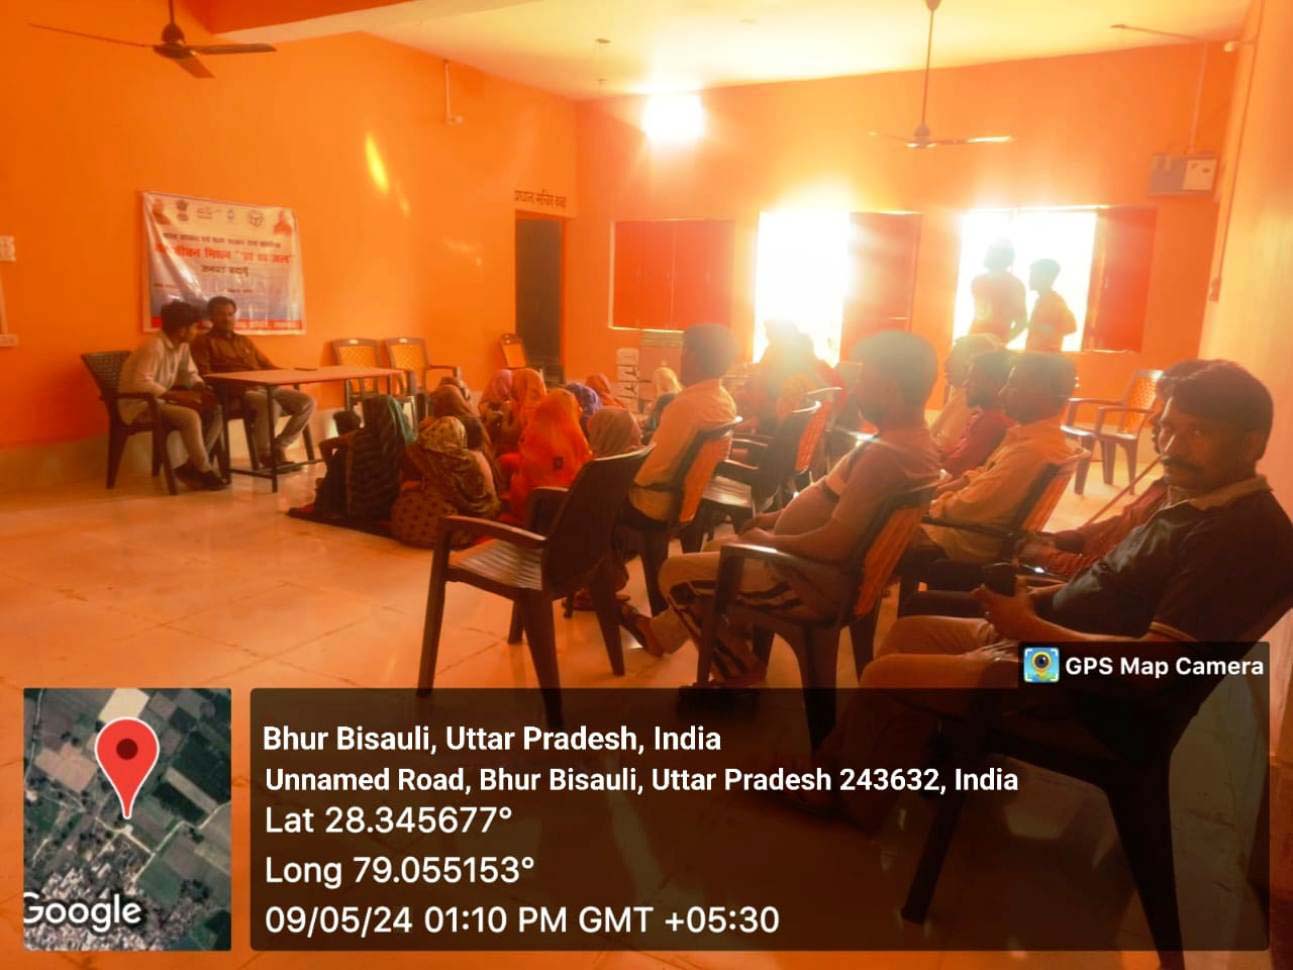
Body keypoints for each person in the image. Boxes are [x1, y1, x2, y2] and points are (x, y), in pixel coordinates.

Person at [804, 360, 1293, 830]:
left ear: (1252, 443)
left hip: (1070, 682)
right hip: (1051, 647)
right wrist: (1039, 602)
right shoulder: (1197, 504)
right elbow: (1118, 586)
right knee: (912, 632)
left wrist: (1029, 628)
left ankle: (849, 797)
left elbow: (1152, 666)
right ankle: (871, 771)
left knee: (886, 673)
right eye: (1167, 428)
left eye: (1198, 432)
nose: (1171, 446)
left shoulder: (1234, 537)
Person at [621, 331, 942, 685]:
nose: (856, 389)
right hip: (818, 574)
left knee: (674, 573)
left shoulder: (886, 458)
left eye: (865, 379)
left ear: (890, 389)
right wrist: (776, 519)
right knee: (717, 548)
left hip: (805, 582)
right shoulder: (913, 443)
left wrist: (771, 541)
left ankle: (737, 669)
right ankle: (668, 634)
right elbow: (837, 504)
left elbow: (835, 544)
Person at [1018, 359, 1211, 578]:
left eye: (1196, 430)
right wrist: (1066, 539)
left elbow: (1115, 576)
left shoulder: (1186, 510)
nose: (1155, 419)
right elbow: (1122, 523)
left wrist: (1044, 555)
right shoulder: (1169, 484)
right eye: (1160, 407)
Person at [918, 353, 1078, 563]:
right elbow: (981, 476)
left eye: (1013, 385)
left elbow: (967, 508)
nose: (1002, 393)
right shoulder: (1032, 437)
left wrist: (930, 505)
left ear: (1045, 394)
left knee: (881, 531)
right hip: (971, 532)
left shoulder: (1032, 450)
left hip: (964, 541)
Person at [627, 324, 738, 524]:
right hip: (694, 497)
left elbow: (647, 474)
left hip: (654, 503)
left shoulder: (685, 407)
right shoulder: (725, 399)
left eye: (683, 349)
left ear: (691, 356)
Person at [190, 295, 315, 469]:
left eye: (230, 314)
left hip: (264, 386)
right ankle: (265, 454)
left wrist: (290, 373)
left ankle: (279, 446)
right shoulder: (203, 341)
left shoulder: (244, 340)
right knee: (270, 404)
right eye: (221, 314)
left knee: (307, 402)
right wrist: (238, 384)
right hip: (237, 392)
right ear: (211, 317)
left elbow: (267, 366)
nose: (227, 319)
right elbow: (206, 374)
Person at [118, 300, 226, 491]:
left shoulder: (182, 345)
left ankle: (191, 467)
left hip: (160, 401)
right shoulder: (154, 346)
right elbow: (140, 383)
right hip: (139, 406)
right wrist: (176, 396)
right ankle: (203, 469)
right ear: (182, 330)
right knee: (189, 416)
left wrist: (200, 387)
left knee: (215, 409)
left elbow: (189, 373)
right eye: (194, 327)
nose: (197, 331)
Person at [392, 416, 501, 548]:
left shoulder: (419, 455)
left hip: (405, 525)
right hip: (446, 528)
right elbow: (475, 500)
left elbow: (405, 486)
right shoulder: (465, 461)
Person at [506, 388, 592, 521]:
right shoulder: (578, 437)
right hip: (572, 512)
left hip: (536, 514)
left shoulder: (533, 434)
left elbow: (527, 480)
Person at [940, 349, 1014, 477]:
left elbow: (954, 468)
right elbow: (953, 454)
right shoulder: (983, 415)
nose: (965, 384)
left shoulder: (993, 422)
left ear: (995, 384)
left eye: (973, 379)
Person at [929, 333, 1000, 453]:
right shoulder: (958, 393)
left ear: (972, 365)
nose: (946, 364)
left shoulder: (973, 400)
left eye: (953, 359)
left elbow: (945, 446)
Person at [968, 239, 1028, 344]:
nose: (988, 253)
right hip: (972, 341)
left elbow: (1021, 322)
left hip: (993, 348)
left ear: (1003, 257)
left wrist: (1001, 342)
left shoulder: (1014, 285)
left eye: (992, 250)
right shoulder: (977, 281)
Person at [1023, 258, 1077, 353]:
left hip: (1045, 358)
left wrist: (1040, 328)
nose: (1029, 279)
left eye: (1033, 275)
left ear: (1044, 277)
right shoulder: (1041, 300)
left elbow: (1071, 327)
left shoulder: (1055, 302)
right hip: (1035, 356)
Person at [494, 367, 546, 455]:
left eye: (516, 384)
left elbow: (509, 434)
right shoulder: (543, 405)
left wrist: (505, 416)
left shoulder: (529, 409)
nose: (513, 391)